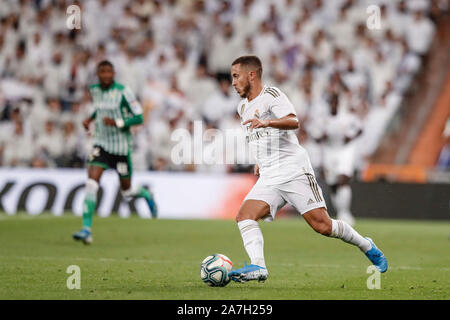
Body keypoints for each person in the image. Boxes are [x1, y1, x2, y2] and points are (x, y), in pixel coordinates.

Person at [228, 55, 387, 283]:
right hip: (270, 175)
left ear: (251, 75)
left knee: (322, 225)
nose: (233, 82)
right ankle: (258, 267)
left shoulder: (272, 95)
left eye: (236, 76)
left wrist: (268, 121)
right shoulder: (242, 106)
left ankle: (366, 245)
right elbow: (258, 138)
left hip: (293, 170)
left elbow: (294, 120)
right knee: (245, 216)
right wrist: (259, 161)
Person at [73, 60, 157, 245]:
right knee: (91, 183)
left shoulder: (123, 91)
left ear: (113, 73)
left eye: (108, 72)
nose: (105, 75)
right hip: (101, 144)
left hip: (120, 148)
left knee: (127, 191)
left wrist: (117, 123)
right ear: (97, 73)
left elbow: (139, 117)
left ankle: (147, 195)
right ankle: (86, 229)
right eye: (101, 72)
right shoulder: (95, 90)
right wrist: (90, 119)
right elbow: (100, 109)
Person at [314, 93, 363, 226]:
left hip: (345, 149)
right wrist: (321, 136)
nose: (333, 104)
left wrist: (351, 136)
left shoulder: (347, 117)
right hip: (330, 151)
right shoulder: (323, 120)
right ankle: (341, 212)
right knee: (333, 184)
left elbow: (360, 129)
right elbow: (316, 137)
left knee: (344, 178)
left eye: (335, 102)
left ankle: (345, 213)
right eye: (331, 102)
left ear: (339, 103)